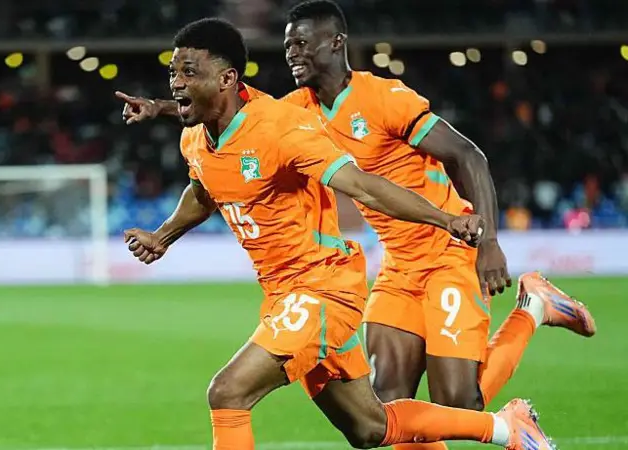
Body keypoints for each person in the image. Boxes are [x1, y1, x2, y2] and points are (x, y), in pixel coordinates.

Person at [116, 4, 596, 450]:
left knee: (228, 393)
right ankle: (508, 426)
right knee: (372, 426)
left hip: (365, 274)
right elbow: (209, 177)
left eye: (188, 72)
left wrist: (463, 226)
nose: (292, 53)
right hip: (355, 273)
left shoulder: (338, 110)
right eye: (173, 73)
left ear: (335, 42)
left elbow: (395, 177)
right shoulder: (246, 124)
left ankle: (528, 321)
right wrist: (162, 231)